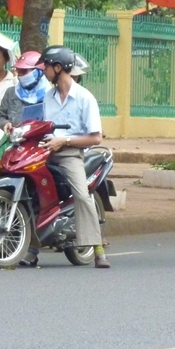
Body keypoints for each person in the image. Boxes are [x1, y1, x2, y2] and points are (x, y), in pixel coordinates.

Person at [37, 45, 111, 269]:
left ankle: (97, 248)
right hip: (47, 151)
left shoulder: (84, 98)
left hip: (71, 154)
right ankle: (31, 246)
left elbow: (96, 138)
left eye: (47, 67)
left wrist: (65, 141)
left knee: (81, 193)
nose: (44, 71)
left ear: (58, 68)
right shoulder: (47, 97)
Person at [0, 50, 48, 134]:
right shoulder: (11, 93)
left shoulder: (49, 95)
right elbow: (1, 117)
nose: (20, 75)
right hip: (14, 141)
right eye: (19, 71)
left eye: (24, 71)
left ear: (38, 71)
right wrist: (5, 124)